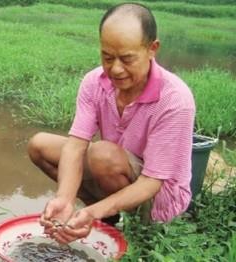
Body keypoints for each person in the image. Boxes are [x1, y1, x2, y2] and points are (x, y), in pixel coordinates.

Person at [27, 3, 196, 244]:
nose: (115, 69)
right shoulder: (94, 82)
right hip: (116, 169)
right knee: (40, 145)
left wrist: (91, 214)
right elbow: (75, 146)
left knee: (102, 155)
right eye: (107, 57)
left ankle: (125, 224)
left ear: (152, 49)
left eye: (127, 59)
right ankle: (103, 214)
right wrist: (65, 198)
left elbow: (151, 182)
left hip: (158, 198)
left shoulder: (174, 100)